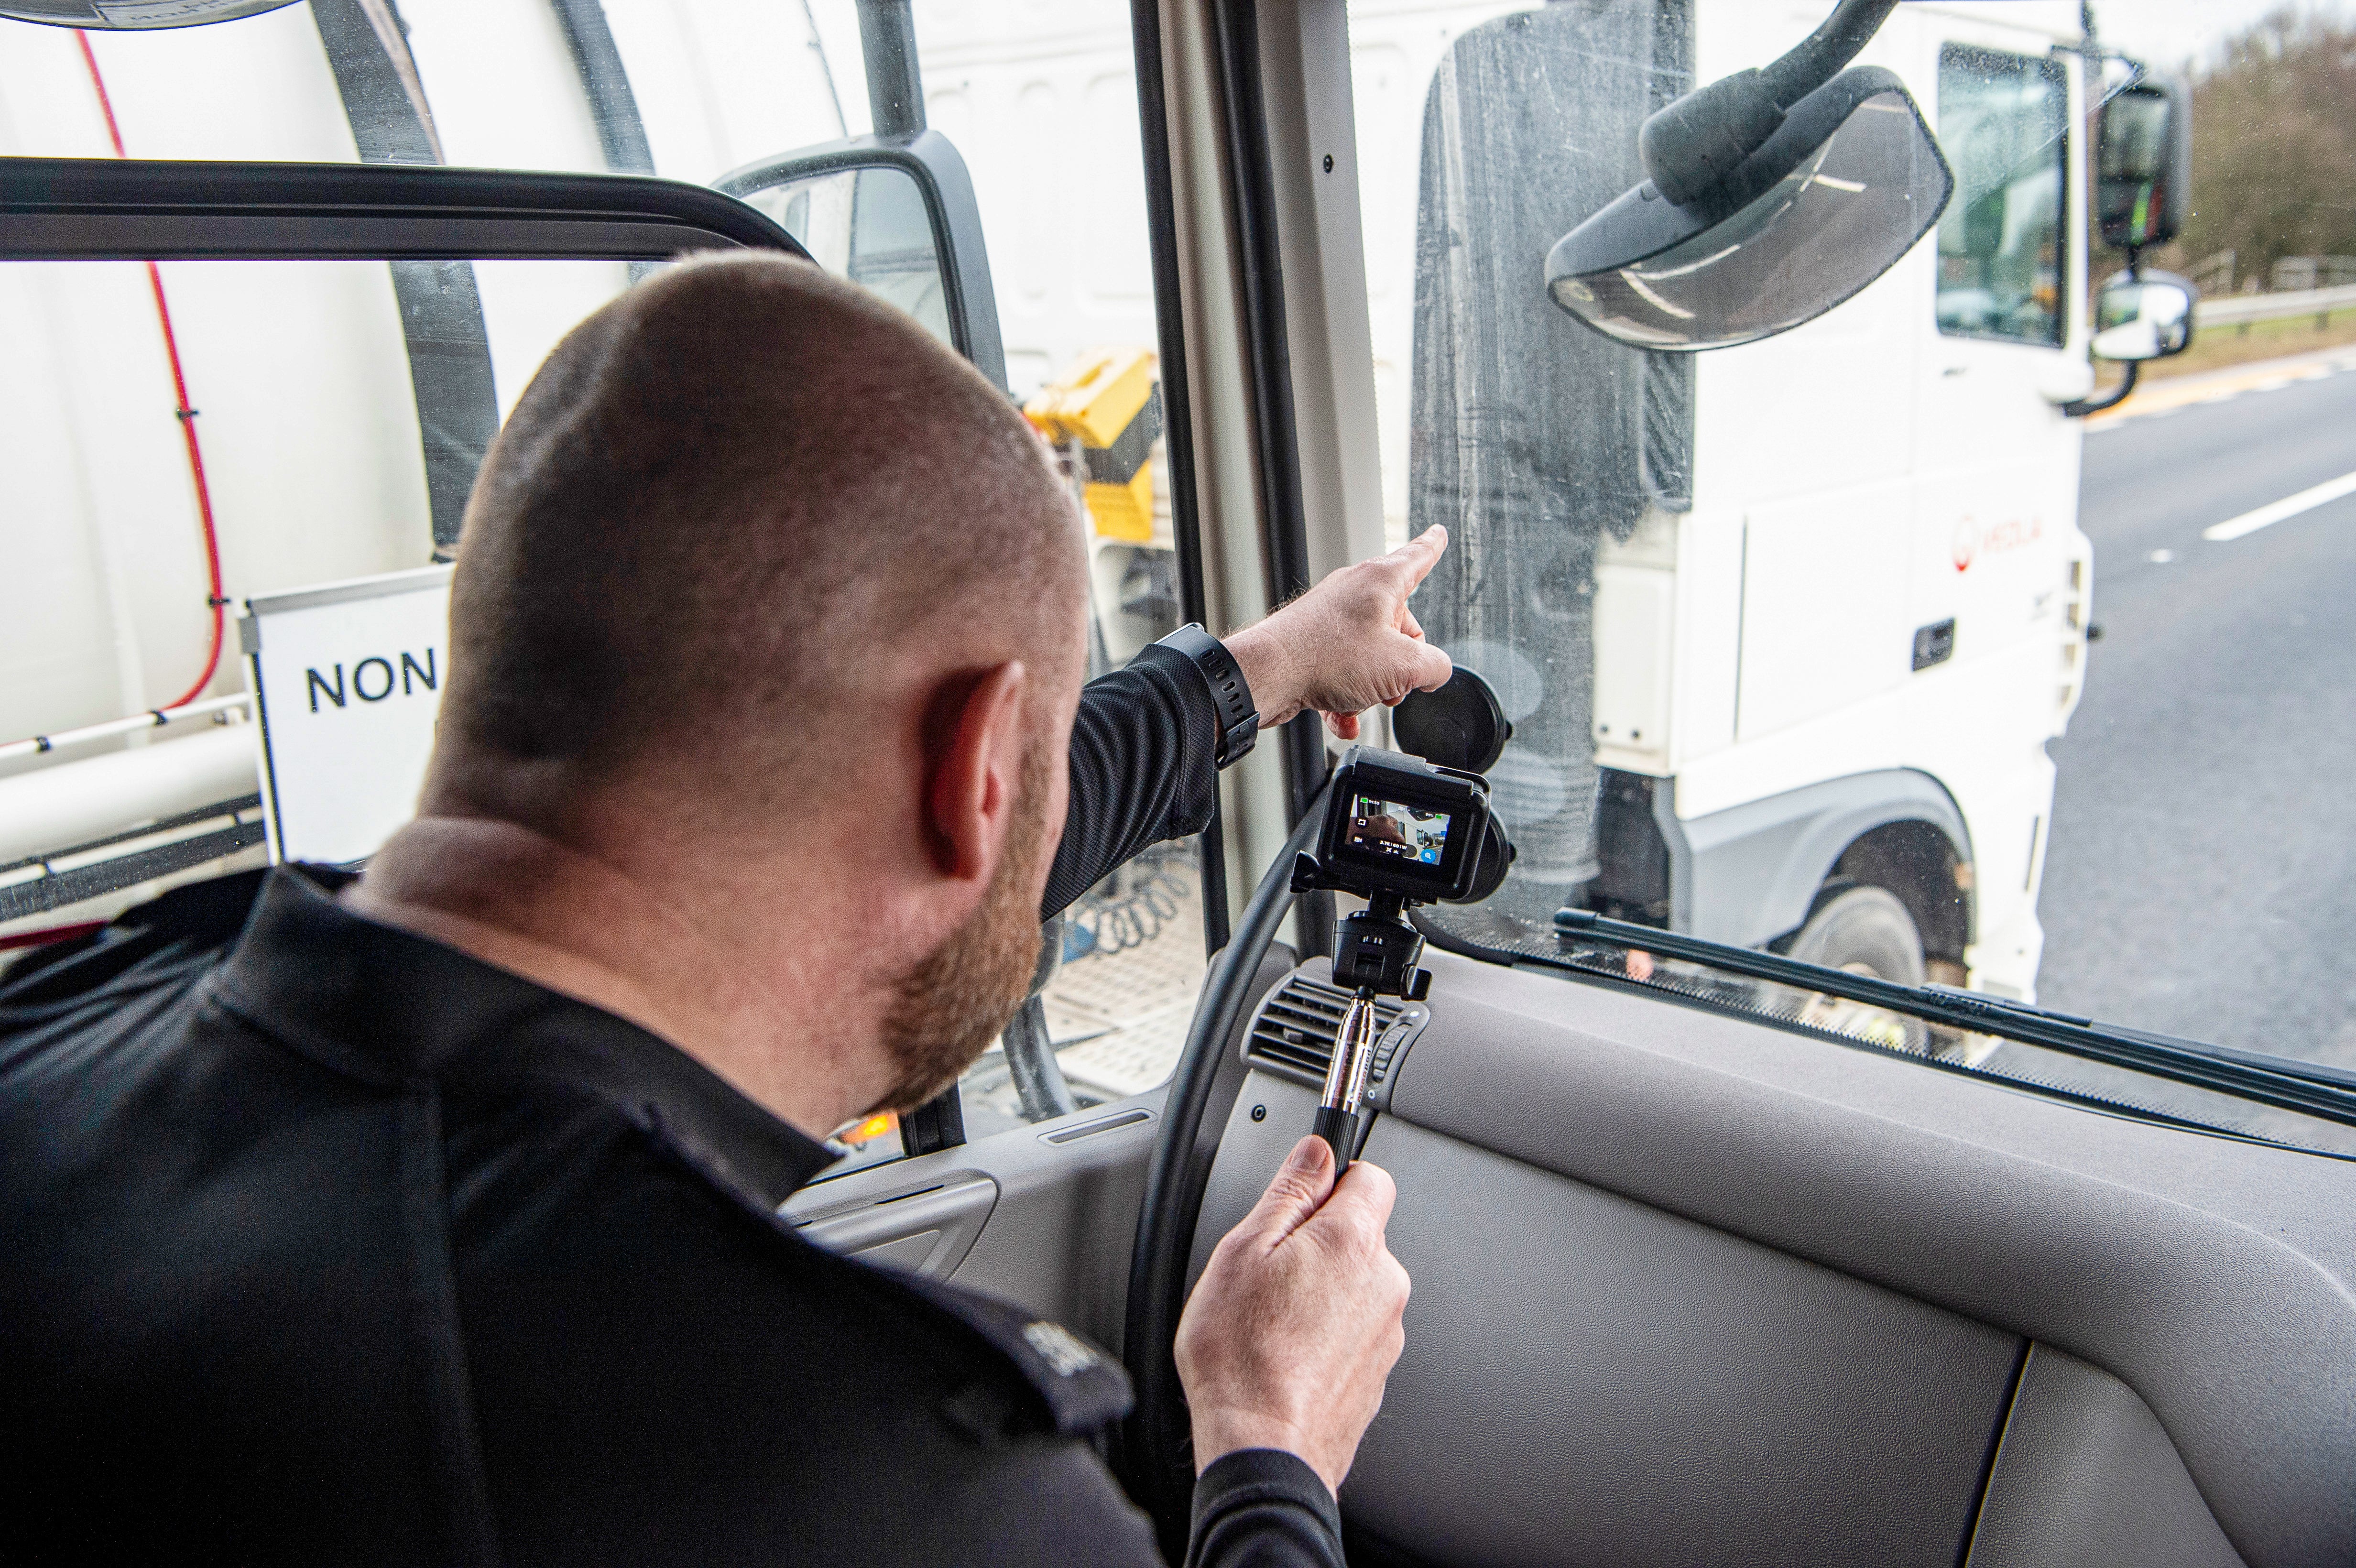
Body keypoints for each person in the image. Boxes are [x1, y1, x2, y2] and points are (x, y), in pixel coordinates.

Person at [0, 252, 1459, 1565]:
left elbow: (956, 834)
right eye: (1029, 766)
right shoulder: (880, 1490)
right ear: (971, 777)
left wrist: (1266, 667)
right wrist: (1269, 1452)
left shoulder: (81, 1017)